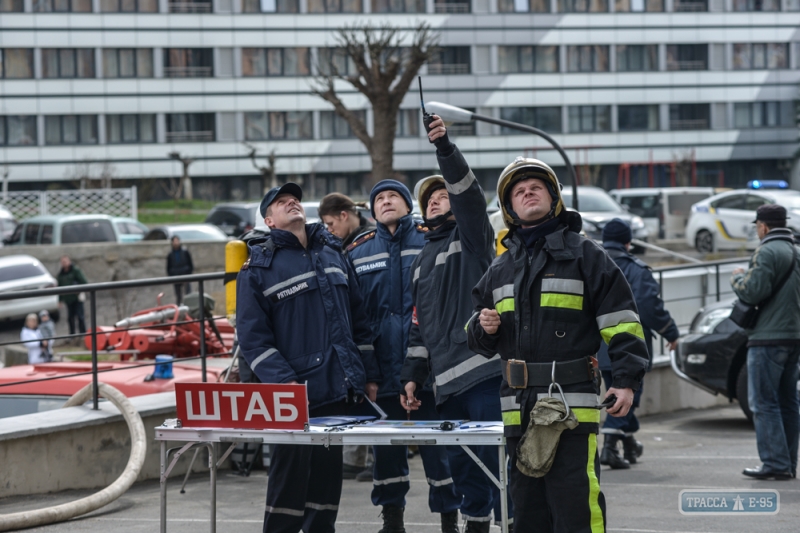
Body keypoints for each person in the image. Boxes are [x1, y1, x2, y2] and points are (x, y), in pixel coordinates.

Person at [466, 157, 649, 533]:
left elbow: (622, 319)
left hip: (571, 407)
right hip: (518, 409)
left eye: (536, 187)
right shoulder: (499, 269)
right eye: (519, 191)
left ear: (554, 198)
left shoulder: (586, 254)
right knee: (527, 514)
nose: (528, 193)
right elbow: (476, 335)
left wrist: (627, 379)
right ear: (509, 208)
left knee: (576, 507)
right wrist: (483, 327)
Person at [236, 182, 381, 533]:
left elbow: (359, 322)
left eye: (295, 199)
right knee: (286, 494)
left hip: (335, 392)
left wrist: (368, 375)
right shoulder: (257, 268)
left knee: (325, 493)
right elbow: (254, 341)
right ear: (269, 221)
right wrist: (286, 385)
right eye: (281, 202)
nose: (292, 203)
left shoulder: (333, 253)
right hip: (291, 400)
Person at [400, 117, 506, 533]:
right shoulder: (420, 262)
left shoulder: (473, 236)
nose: (437, 202)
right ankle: (476, 526)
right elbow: (418, 326)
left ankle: (510, 524)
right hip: (446, 386)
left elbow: (470, 196)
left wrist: (444, 147)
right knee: (465, 471)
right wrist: (412, 375)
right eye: (430, 200)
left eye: (443, 196)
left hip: (484, 375)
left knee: (500, 467)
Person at [347, 179, 460, 533]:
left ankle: (449, 520)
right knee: (387, 453)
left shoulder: (431, 240)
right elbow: (357, 322)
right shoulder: (358, 252)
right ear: (371, 209)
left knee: (439, 451)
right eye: (378, 198)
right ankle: (392, 521)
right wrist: (369, 375)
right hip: (382, 374)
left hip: (430, 371)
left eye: (393, 195)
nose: (385, 201)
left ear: (408, 204)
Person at [598, 219, 680, 469]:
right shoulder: (636, 269)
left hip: (600, 346)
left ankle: (630, 443)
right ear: (628, 242)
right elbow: (649, 306)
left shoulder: (592, 264)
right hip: (632, 347)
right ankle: (610, 446)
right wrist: (671, 333)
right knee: (629, 395)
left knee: (616, 392)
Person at [731, 203, 800, 480]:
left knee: (764, 402)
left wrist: (737, 278)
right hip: (794, 337)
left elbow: (751, 292)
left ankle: (774, 463)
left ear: (763, 226)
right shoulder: (796, 251)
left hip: (768, 338)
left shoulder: (767, 251)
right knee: (788, 401)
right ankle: (788, 462)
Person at [56, 255, 87, 338]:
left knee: (80, 316)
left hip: (77, 298)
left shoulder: (75, 270)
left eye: (65, 261)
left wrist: (78, 289)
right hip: (68, 299)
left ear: (69, 261)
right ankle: (72, 335)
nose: (64, 263)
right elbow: (60, 288)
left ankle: (83, 334)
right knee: (70, 318)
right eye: (62, 262)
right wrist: (60, 300)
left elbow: (84, 281)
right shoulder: (61, 274)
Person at [167, 236, 193, 305]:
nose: (176, 243)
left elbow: (190, 264)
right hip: (176, 277)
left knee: (188, 294)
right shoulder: (170, 254)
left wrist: (188, 273)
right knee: (178, 296)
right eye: (174, 241)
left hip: (185, 275)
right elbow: (168, 267)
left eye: (177, 241)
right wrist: (172, 275)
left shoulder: (185, 251)